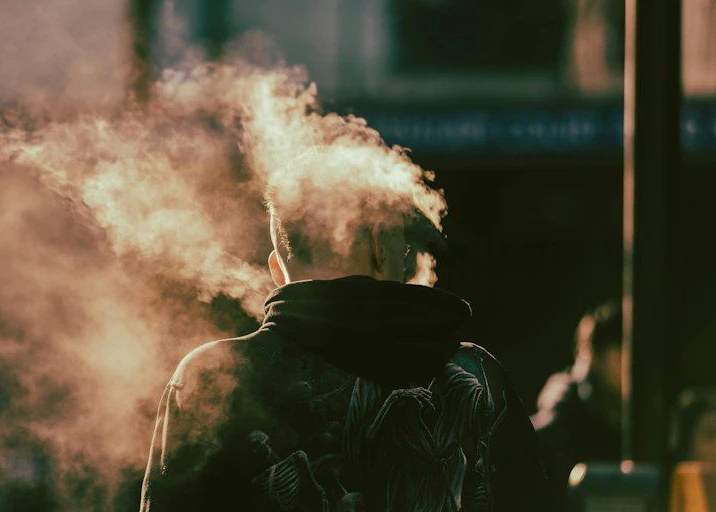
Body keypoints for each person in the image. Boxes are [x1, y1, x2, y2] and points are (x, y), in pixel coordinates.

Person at [140, 148, 551, 512]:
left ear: (277, 269)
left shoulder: (212, 377)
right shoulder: (478, 378)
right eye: (403, 245)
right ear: (380, 242)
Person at [530, 300, 622, 508]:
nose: (632, 363)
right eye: (621, 350)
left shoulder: (639, 416)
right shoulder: (562, 421)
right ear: (596, 355)